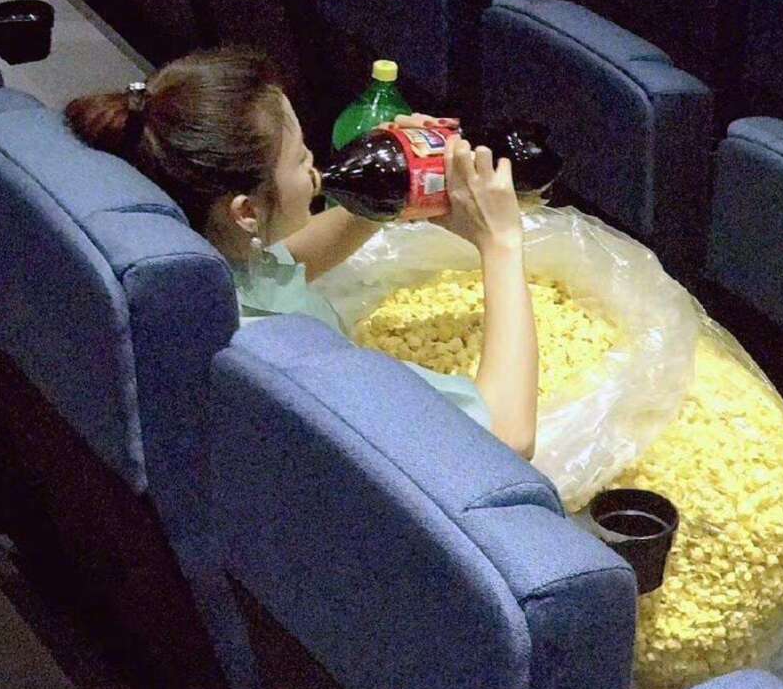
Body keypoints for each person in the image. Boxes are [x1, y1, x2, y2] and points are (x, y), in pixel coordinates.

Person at [65, 47, 538, 458]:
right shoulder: (292, 360)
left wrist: (394, 192)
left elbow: (282, 266)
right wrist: (500, 245)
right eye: (298, 158)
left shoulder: (196, 253)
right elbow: (506, 436)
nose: (314, 161)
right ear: (246, 211)